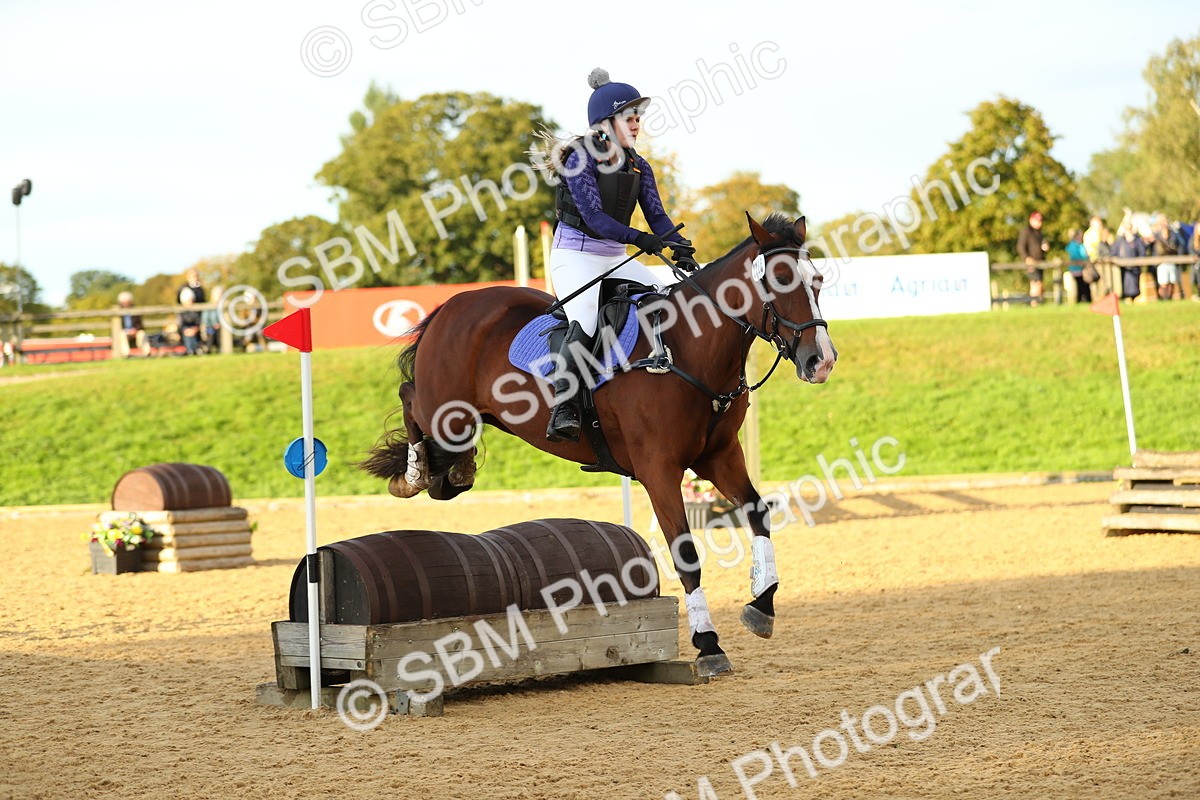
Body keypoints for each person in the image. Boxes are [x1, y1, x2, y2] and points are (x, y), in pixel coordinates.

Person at [543, 68, 697, 443]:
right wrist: (638, 238)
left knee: (670, 301)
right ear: (605, 124)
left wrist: (680, 250)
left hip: (614, 256)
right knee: (586, 320)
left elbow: (657, 216)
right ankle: (563, 406)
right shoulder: (578, 159)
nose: (637, 123)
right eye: (630, 117)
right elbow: (594, 218)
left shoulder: (638, 165)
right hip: (575, 255)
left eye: (638, 117)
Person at [1017, 211, 1049, 305]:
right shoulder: (1026, 231)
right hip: (1031, 263)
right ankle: (1034, 304)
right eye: (1037, 220)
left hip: (1040, 262)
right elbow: (1020, 247)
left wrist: (1045, 248)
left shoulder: (1040, 233)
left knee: (1038, 284)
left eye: (1040, 220)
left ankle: (1035, 303)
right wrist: (1026, 258)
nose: (1039, 223)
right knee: (1036, 283)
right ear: (1031, 220)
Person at [1111, 222, 1145, 300]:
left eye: (1129, 228)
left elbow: (1142, 252)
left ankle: (1134, 297)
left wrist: (1138, 262)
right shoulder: (1120, 241)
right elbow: (1114, 252)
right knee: (1125, 284)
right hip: (1123, 268)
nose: (1128, 231)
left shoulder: (1137, 240)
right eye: (1126, 229)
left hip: (1135, 268)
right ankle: (1126, 297)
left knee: (1134, 285)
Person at [115, 291, 151, 357]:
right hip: (125, 332)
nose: (125, 304)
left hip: (135, 331)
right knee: (122, 334)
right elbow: (118, 326)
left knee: (142, 334)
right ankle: (126, 354)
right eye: (123, 302)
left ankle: (147, 353)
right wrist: (127, 331)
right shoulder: (118, 313)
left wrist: (135, 330)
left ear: (130, 301)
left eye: (126, 302)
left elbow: (140, 325)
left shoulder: (136, 311)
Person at [1065, 229, 1092, 304]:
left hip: (1083, 268)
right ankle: (1080, 300)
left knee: (1084, 285)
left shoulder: (1080, 245)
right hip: (1076, 268)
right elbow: (1075, 256)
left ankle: (1085, 300)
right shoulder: (1073, 245)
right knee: (1080, 286)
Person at [178, 287, 202, 355]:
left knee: (191, 332)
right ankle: (190, 350)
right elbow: (181, 324)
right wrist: (185, 330)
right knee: (187, 333)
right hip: (185, 330)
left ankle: (194, 349)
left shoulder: (196, 310)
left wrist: (195, 329)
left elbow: (198, 321)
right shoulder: (181, 311)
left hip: (195, 328)